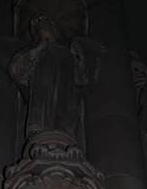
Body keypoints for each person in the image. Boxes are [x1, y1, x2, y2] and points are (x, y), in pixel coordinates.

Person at [8, 14, 89, 144]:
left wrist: (80, 59)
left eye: (45, 22)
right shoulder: (33, 50)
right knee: (41, 129)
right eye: (38, 25)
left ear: (53, 27)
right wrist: (36, 51)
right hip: (41, 105)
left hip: (66, 110)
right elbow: (15, 70)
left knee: (65, 128)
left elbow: (82, 82)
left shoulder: (68, 54)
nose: (41, 26)